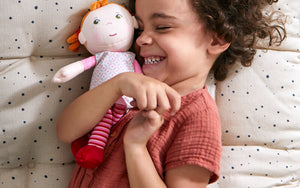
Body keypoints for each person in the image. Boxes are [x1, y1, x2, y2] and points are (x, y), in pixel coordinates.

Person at [56, 0, 286, 187]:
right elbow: (66, 131)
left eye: (162, 27)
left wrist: (135, 147)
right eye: (140, 27)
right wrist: (118, 84)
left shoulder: (197, 117)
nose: (142, 39)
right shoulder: (128, 85)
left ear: (217, 39)